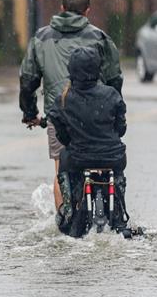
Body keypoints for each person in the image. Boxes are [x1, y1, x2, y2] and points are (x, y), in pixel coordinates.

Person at [19, 0, 123, 211]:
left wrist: (29, 113)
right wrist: (113, 110)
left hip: (59, 116)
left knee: (61, 171)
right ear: (87, 11)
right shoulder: (99, 37)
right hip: (97, 114)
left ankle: (63, 221)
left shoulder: (41, 37)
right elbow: (115, 79)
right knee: (105, 164)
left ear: (62, 9)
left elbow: (28, 80)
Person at [48, 46, 127, 227]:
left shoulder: (63, 99)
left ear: (71, 71)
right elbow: (121, 129)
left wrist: (72, 142)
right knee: (119, 173)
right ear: (98, 69)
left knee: (63, 159)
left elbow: (61, 134)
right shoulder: (112, 95)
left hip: (79, 159)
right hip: (113, 159)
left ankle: (68, 210)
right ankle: (119, 200)